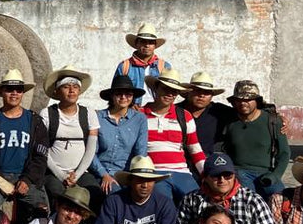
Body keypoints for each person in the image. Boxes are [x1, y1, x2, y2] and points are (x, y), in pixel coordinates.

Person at [0, 69, 49, 224]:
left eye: (19, 89)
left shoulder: (35, 122)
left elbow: (40, 156)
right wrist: (0, 180)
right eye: (9, 89)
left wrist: (27, 179)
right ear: (2, 92)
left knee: (42, 213)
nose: (14, 93)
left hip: (26, 177)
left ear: (23, 93)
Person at [40, 65, 100, 216]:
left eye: (75, 87)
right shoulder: (47, 114)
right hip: (53, 172)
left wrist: (77, 175)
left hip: (80, 171)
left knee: (95, 193)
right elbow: (42, 148)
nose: (71, 90)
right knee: (57, 196)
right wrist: (61, 176)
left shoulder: (88, 114)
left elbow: (91, 148)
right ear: (57, 91)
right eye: (66, 87)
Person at [142, 68, 206, 204]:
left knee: (199, 205)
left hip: (182, 173)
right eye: (165, 89)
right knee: (165, 209)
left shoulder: (184, 116)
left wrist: (207, 175)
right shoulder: (140, 114)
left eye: (174, 91)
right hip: (154, 173)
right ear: (156, 88)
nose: (170, 94)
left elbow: (195, 150)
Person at [223, 80, 290, 201]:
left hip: (266, 173)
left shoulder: (273, 121)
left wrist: (275, 176)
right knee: (250, 200)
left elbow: (284, 153)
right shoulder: (227, 120)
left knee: (281, 200)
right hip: (239, 172)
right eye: (239, 100)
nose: (243, 103)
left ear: (257, 101)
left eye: (248, 100)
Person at [90, 74, 148, 196]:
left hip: (127, 175)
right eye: (118, 94)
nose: (123, 97)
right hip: (100, 172)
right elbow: (91, 152)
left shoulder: (140, 119)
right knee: (115, 194)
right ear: (112, 96)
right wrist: (104, 174)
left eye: (128, 94)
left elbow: (140, 152)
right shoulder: (97, 117)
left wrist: (135, 178)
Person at [115, 22, 171, 105]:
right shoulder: (124, 66)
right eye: (143, 41)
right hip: (131, 112)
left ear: (155, 45)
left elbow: (169, 92)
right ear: (136, 43)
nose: (147, 45)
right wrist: (130, 106)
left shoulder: (164, 66)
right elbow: (116, 92)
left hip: (156, 111)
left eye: (151, 42)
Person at [181, 72, 235, 156]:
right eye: (197, 90)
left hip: (210, 164)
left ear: (212, 95)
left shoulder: (220, 111)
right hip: (180, 163)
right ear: (188, 92)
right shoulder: (175, 111)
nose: (201, 95)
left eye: (206, 92)